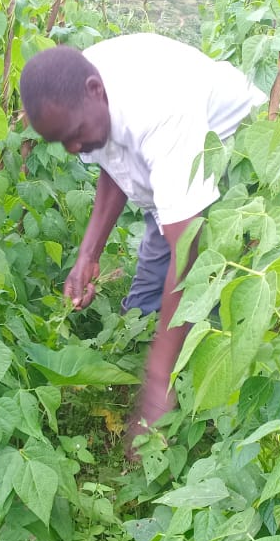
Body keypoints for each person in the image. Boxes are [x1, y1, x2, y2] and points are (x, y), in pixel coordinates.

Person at [19, 33, 266, 448]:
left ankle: (207, 399)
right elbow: (109, 159)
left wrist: (158, 381)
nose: (74, 147)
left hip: (240, 162)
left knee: (231, 291)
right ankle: (144, 350)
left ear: (96, 92)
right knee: (148, 292)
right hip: (173, 172)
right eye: (63, 143)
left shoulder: (158, 110)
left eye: (75, 135)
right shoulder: (80, 97)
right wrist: (87, 255)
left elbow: (186, 253)